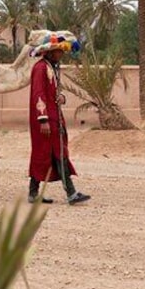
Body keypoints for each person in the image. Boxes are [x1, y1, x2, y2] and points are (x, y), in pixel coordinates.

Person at [27, 33, 90, 205]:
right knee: (53, 153)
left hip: (54, 117)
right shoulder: (40, 68)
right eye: (58, 51)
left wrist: (60, 97)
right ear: (49, 52)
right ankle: (71, 192)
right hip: (45, 119)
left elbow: (50, 92)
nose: (61, 54)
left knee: (52, 152)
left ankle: (33, 193)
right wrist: (43, 119)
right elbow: (38, 94)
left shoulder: (51, 68)